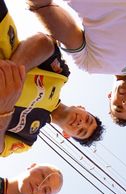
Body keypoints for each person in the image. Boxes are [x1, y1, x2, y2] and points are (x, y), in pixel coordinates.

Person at [0, 0, 104, 158]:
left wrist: (4, 113)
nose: (80, 123)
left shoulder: (27, 139)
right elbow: (44, 42)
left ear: (66, 135)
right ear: (81, 107)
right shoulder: (61, 76)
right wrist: (12, 75)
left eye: (81, 131)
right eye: (87, 120)